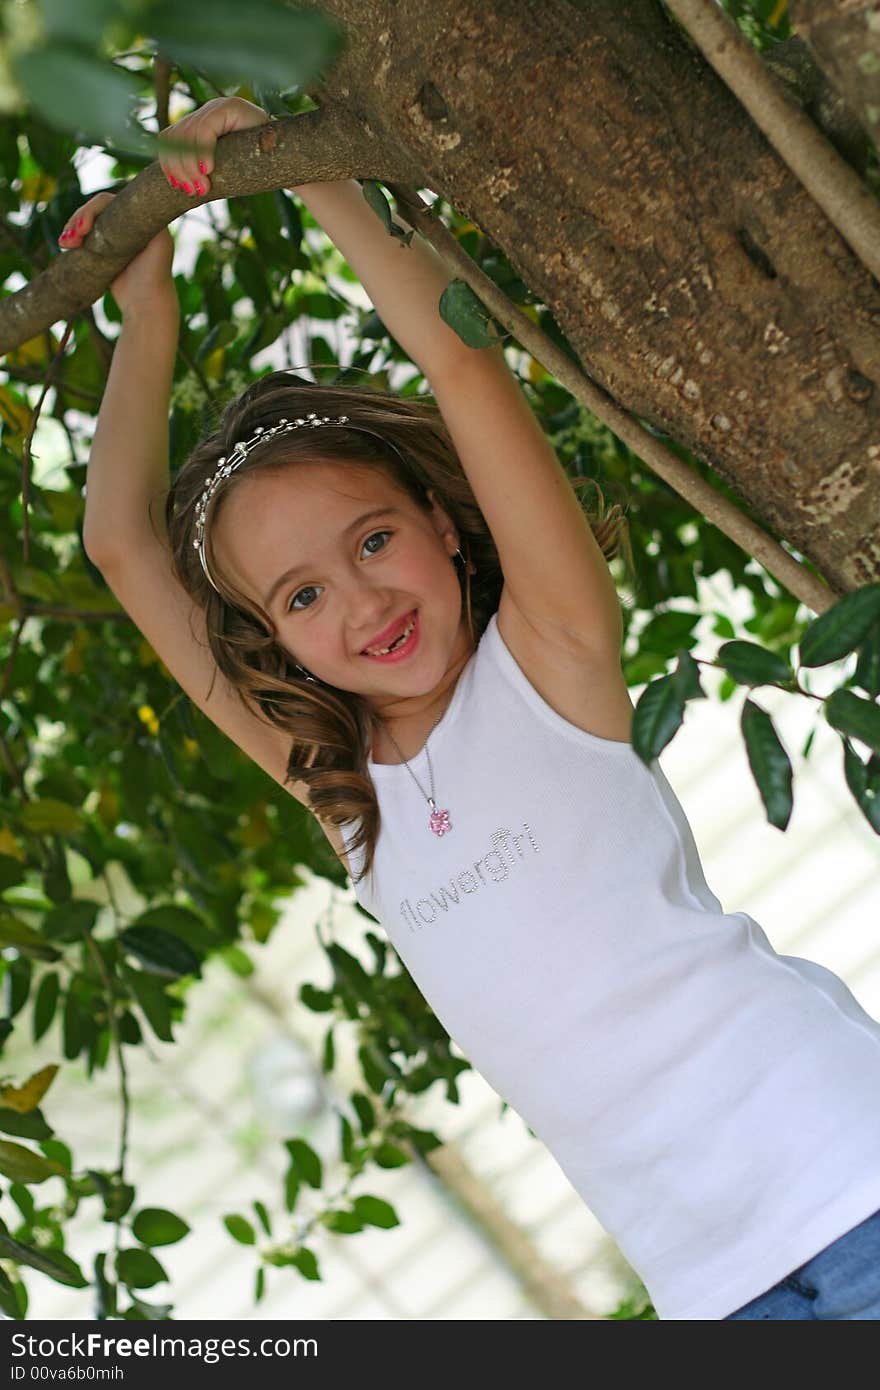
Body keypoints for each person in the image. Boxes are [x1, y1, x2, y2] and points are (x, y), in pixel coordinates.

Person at [61, 96, 880, 1321]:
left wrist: (294, 167)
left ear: (442, 526)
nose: (363, 599)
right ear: (273, 638)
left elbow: (455, 355)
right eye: (302, 594)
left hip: (843, 1155)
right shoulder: (342, 796)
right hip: (713, 1284)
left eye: (376, 537)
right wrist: (146, 309)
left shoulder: (550, 654)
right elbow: (122, 544)